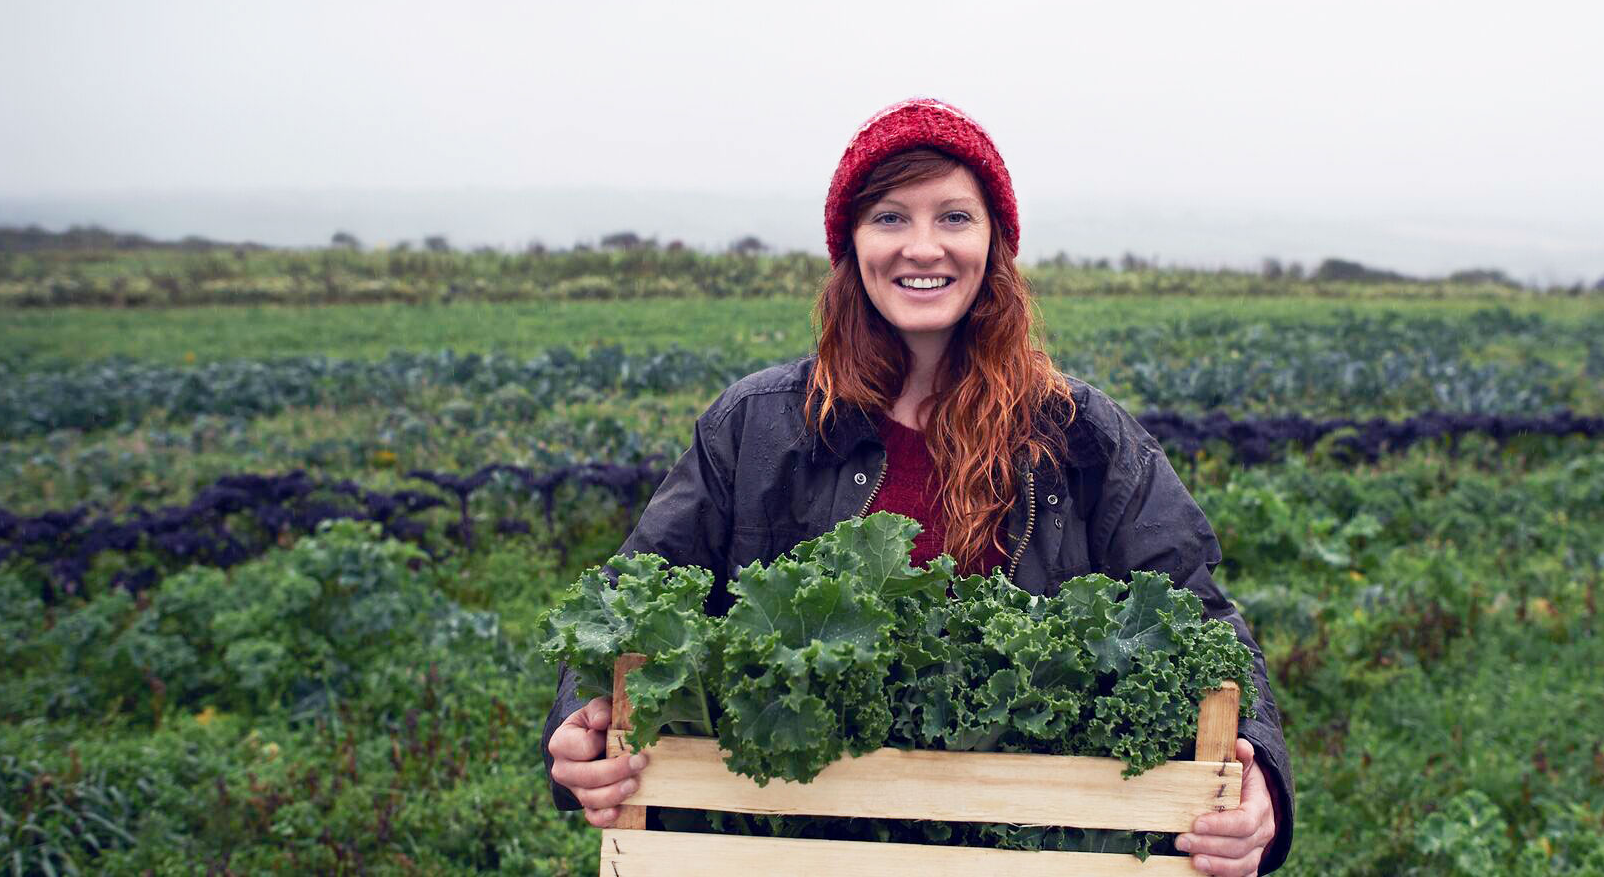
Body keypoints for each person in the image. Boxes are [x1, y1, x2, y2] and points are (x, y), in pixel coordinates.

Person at [542, 97, 1295, 874]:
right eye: (891, 217)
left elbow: (1201, 620)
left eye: (955, 218)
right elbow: (626, 601)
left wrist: (1259, 779)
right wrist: (579, 725)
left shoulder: (1083, 436)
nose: (923, 247)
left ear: (994, 242)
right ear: (852, 243)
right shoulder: (755, 428)